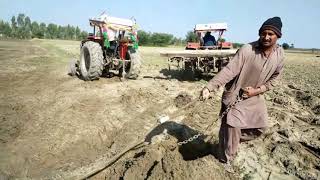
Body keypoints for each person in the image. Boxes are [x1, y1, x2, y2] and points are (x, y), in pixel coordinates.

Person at [200, 17, 284, 170]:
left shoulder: (280, 55)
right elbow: (229, 70)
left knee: (261, 128)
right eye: (263, 33)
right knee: (233, 127)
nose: (266, 37)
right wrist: (210, 87)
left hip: (255, 97)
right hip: (235, 96)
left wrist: (258, 90)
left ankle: (228, 140)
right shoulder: (247, 49)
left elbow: (274, 79)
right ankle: (226, 162)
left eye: (270, 34)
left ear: (278, 36)